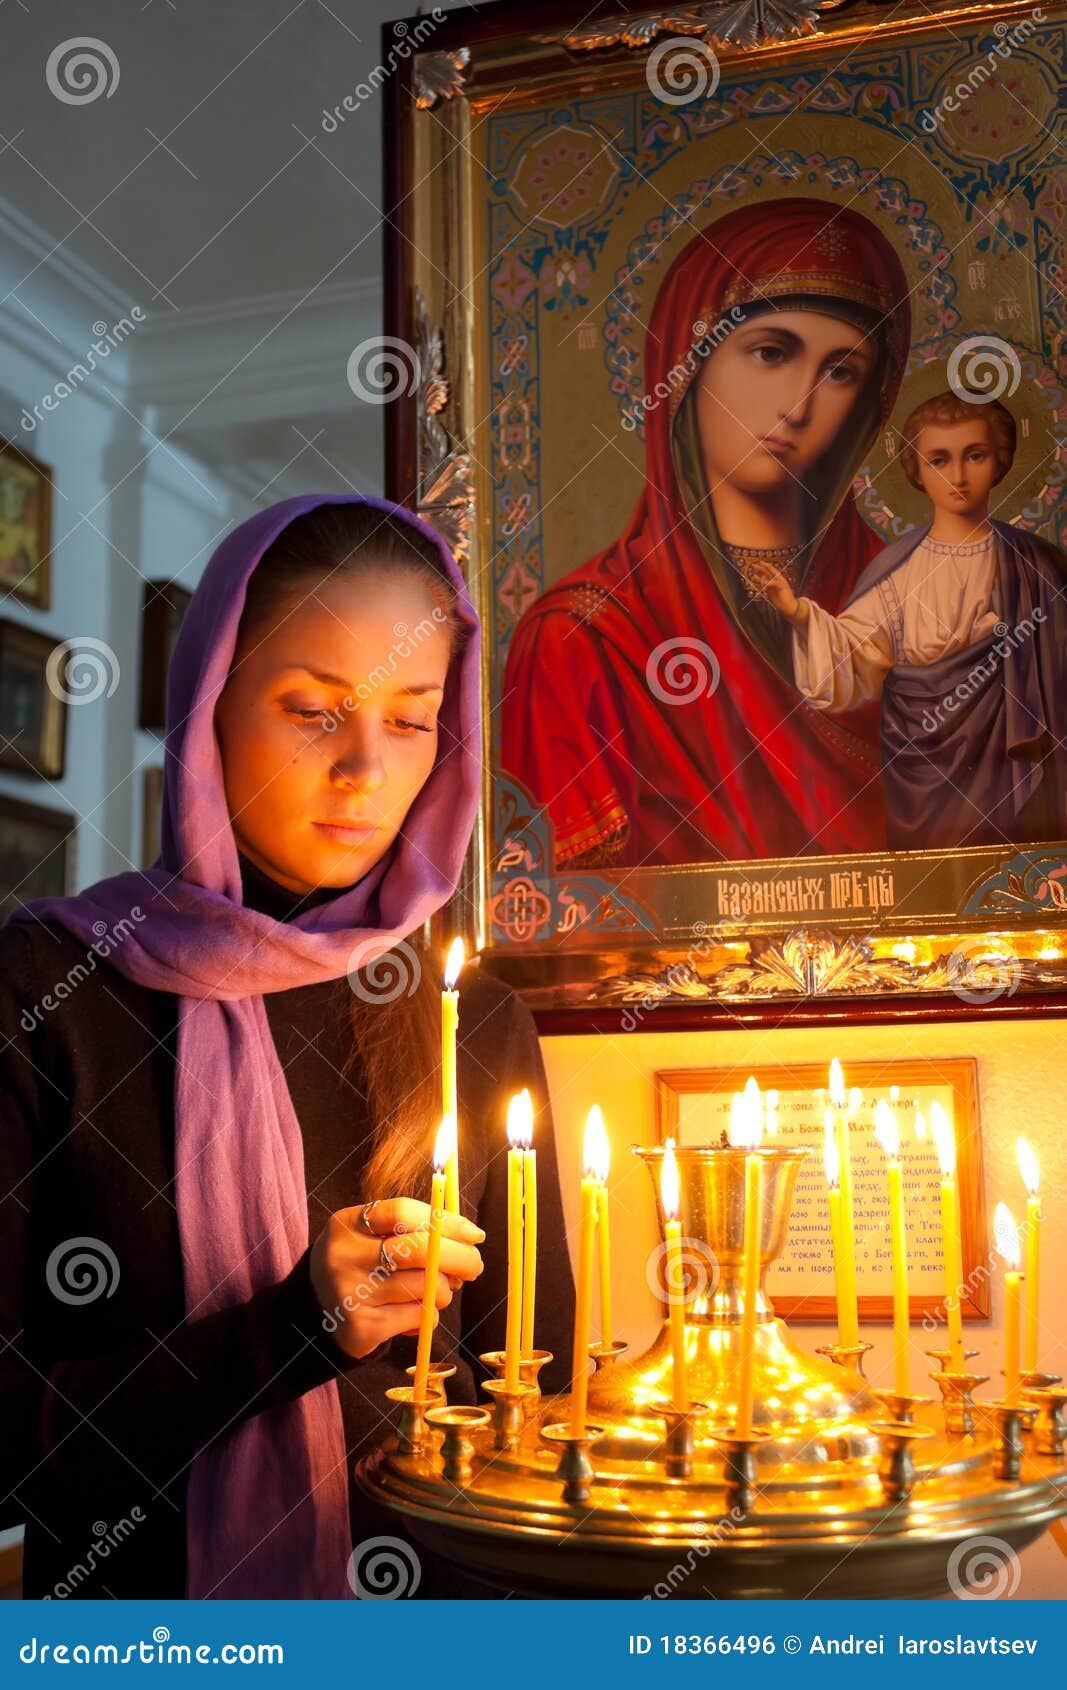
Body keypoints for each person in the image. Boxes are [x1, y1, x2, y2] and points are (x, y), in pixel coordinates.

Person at [0, 495, 575, 1600]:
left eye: (411, 719)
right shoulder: (47, 993)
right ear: (208, 706)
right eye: (313, 709)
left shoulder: (474, 1021)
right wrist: (293, 1328)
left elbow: (536, 1422)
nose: (366, 768)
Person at [501, 197, 912, 870]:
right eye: (770, 353)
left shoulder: (916, 606)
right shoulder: (585, 638)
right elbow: (558, 913)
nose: (798, 406)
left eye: (840, 371)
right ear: (686, 365)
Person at [752, 391, 1067, 849]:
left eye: (974, 456)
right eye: (939, 460)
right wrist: (797, 611)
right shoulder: (899, 570)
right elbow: (854, 658)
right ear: (916, 470)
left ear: (1000, 460)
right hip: (926, 779)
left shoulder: (1038, 565)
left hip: (1013, 771)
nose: (957, 476)